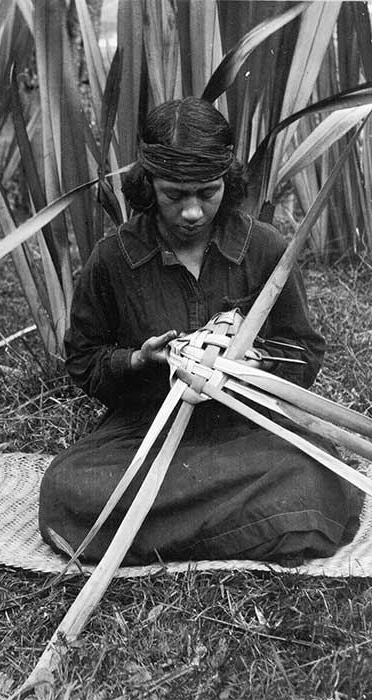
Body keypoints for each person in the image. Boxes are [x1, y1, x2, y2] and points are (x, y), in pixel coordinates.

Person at [39, 97, 363, 566]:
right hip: (147, 430)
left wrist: (254, 361)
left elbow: (305, 352)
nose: (192, 212)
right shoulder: (114, 257)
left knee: (315, 476)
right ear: (148, 186)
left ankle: (157, 534)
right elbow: (84, 360)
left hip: (246, 432)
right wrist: (139, 360)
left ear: (227, 184)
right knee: (66, 489)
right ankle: (260, 527)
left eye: (207, 193)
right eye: (174, 195)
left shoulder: (263, 247)